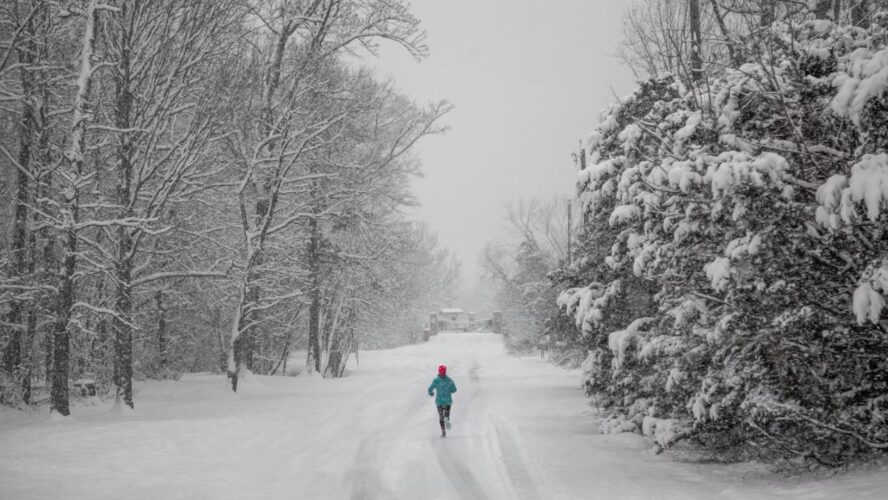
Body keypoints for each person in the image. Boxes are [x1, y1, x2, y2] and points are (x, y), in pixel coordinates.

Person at [427, 364, 457, 438]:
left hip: (439, 402)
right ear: (445, 372)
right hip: (447, 401)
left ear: (439, 372)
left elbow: (430, 389)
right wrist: (450, 390)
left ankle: (443, 433)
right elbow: (454, 390)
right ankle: (446, 418)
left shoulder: (436, 381)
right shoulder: (449, 381)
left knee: (441, 417)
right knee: (446, 415)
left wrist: (431, 393)